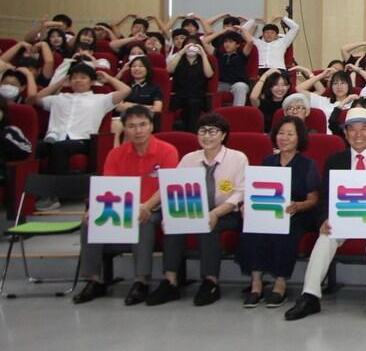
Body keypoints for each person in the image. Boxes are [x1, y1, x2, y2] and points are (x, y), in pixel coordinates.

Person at [284, 107, 366, 321]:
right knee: (325, 238)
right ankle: (310, 296)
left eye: (363, 129)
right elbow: (324, 197)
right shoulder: (334, 161)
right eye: (352, 129)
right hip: (342, 219)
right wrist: (323, 220)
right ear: (345, 133)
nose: (358, 134)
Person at [72, 106, 178, 305]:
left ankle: (141, 281)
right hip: (122, 207)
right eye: (131, 126)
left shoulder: (167, 151)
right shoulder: (115, 154)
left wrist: (146, 206)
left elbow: (167, 187)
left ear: (151, 126)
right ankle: (95, 280)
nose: (138, 130)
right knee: (90, 221)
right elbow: (108, 187)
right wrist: (95, 208)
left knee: (143, 221)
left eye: (142, 125)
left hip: (156, 207)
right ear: (125, 129)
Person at [145, 112, 247, 307]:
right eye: (202, 131)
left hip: (225, 212)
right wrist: (172, 213)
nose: (207, 136)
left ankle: (210, 282)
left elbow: (239, 194)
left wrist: (215, 213)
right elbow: (176, 188)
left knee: (208, 226)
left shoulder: (237, 158)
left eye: (213, 131)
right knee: (175, 224)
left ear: (223, 135)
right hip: (193, 210)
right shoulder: (189, 159)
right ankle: (171, 281)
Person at [240, 115, 320, 309]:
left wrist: (297, 206)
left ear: (299, 138)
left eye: (290, 134)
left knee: (288, 229)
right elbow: (257, 192)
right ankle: (256, 283)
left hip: (298, 213)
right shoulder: (268, 161)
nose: (284, 138)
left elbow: (313, 200)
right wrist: (246, 206)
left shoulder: (307, 165)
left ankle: (280, 282)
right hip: (269, 211)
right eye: (281, 133)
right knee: (253, 226)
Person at [33, 60, 131, 193]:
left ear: (92, 82)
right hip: (55, 138)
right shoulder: (59, 98)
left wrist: (108, 79)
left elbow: (126, 90)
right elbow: (35, 98)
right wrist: (60, 83)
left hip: (83, 140)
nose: (78, 80)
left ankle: (52, 194)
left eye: (83, 77)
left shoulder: (100, 99)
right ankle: (30, 192)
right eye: (74, 78)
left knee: (60, 147)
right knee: (36, 147)